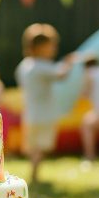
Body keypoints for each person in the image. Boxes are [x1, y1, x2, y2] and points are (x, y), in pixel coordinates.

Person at [15, 23, 76, 183]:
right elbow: (61, 75)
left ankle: (34, 172)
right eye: (50, 46)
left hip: (31, 112)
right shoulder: (42, 66)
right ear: (39, 48)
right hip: (44, 113)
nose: (53, 49)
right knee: (40, 146)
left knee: (33, 145)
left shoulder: (25, 66)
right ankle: (35, 173)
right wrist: (69, 63)